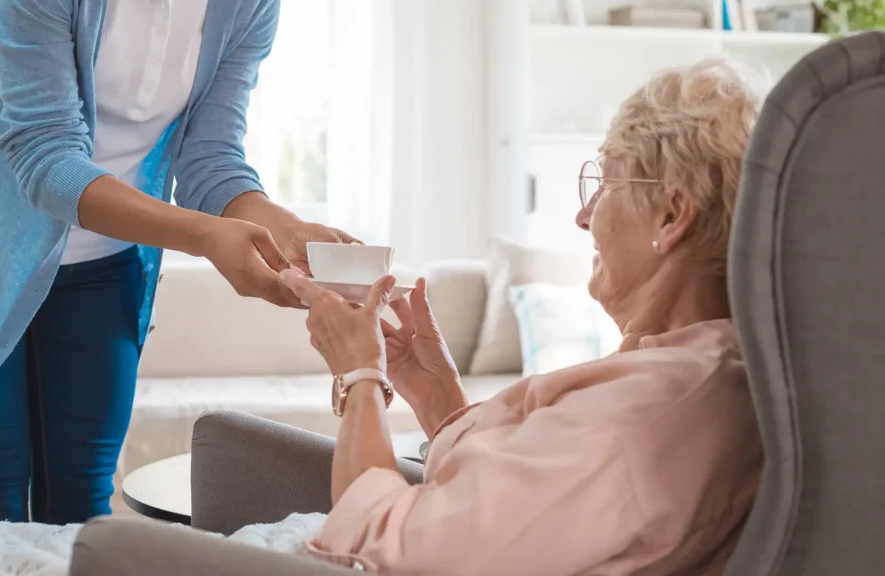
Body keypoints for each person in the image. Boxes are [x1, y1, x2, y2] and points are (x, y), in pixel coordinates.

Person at [274, 59, 764, 574]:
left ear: (670, 215)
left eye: (605, 184)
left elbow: (372, 551)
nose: (582, 215)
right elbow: (519, 513)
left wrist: (360, 374)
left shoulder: (636, 423)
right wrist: (436, 394)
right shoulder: (705, 371)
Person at [0, 0, 353, 536]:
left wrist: (286, 228)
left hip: (107, 264)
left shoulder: (248, 7)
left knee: (83, 509)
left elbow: (211, 156)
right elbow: (46, 157)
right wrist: (206, 238)